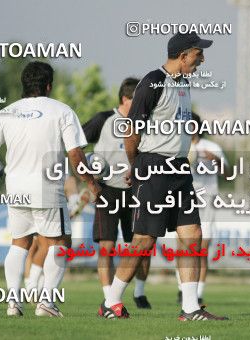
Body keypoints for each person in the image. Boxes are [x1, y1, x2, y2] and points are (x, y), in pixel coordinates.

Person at [99, 32, 227, 321]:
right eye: (198, 53)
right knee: (143, 241)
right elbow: (131, 131)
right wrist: (136, 167)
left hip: (179, 169)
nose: (202, 59)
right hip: (153, 167)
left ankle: (191, 308)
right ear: (183, 56)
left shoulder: (184, 83)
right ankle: (111, 301)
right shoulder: (151, 82)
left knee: (193, 235)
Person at [0, 61, 101, 317]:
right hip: (47, 188)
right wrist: (91, 183)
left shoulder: (7, 112)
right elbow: (75, 154)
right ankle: (47, 302)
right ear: (49, 85)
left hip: (15, 189)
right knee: (60, 242)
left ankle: (14, 303)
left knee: (19, 243)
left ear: (24, 85)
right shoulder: (62, 111)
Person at [82, 77, 153, 310]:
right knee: (107, 246)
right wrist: (88, 179)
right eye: (138, 99)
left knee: (141, 245)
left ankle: (138, 293)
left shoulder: (145, 123)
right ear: (125, 99)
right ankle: (108, 297)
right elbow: (76, 147)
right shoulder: (105, 121)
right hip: (108, 191)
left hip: (136, 192)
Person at [175, 112, 229, 305]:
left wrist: (215, 159)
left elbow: (228, 173)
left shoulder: (212, 147)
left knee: (202, 249)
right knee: (183, 245)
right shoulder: (178, 146)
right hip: (184, 197)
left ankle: (198, 293)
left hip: (206, 200)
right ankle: (183, 290)